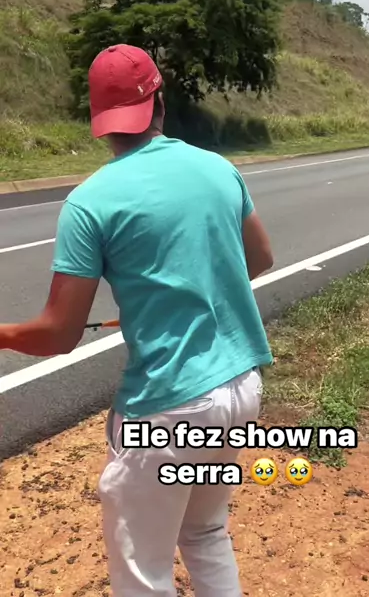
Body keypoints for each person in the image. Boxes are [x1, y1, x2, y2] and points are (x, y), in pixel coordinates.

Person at [0, 43, 274, 597]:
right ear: (160, 102)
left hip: (166, 411)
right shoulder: (219, 168)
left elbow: (59, 334)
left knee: (143, 573)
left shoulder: (90, 201)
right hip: (242, 388)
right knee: (206, 533)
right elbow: (260, 259)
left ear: (99, 119)